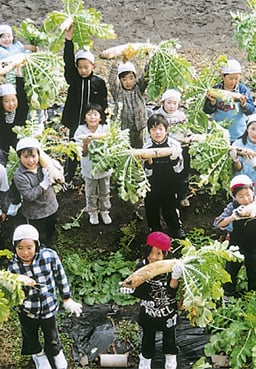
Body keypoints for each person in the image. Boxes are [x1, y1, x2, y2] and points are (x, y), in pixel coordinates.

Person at [8, 224, 83, 369]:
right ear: (14, 248)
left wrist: (66, 298)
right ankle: (38, 354)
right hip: (27, 310)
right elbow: (10, 289)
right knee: (30, 335)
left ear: (37, 244)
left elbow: (60, 277)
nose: (25, 253)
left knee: (51, 333)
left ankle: (55, 352)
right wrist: (13, 282)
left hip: (48, 307)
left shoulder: (49, 256)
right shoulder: (12, 266)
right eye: (20, 248)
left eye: (29, 247)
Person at [119, 231, 183, 369]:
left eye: (159, 254)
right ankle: (146, 360)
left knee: (170, 338)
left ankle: (171, 360)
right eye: (151, 252)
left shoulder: (172, 267)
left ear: (166, 254)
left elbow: (172, 293)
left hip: (168, 312)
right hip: (149, 312)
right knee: (148, 338)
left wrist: (175, 278)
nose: (153, 257)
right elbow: (142, 292)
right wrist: (132, 290)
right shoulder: (141, 266)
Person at [62, 23, 108, 185]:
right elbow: (67, 61)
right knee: (73, 148)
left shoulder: (98, 82)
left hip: (93, 122)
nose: (83, 70)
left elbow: (103, 103)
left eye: (86, 67)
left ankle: (93, 174)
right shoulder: (73, 79)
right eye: (80, 67)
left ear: (93, 66)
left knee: (94, 147)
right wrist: (69, 40)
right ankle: (67, 176)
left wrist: (103, 120)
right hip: (75, 120)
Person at [143, 114, 185, 239]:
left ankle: (175, 228)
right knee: (151, 205)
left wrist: (174, 159)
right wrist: (149, 162)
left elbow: (179, 169)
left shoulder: (174, 145)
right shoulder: (146, 147)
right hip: (152, 182)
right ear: (149, 132)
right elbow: (146, 173)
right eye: (153, 129)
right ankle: (154, 228)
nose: (157, 132)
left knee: (170, 205)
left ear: (167, 130)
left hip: (170, 181)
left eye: (160, 129)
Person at [13, 137, 59, 245]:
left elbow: (57, 175)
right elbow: (29, 195)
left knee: (51, 230)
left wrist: (56, 171)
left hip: (51, 207)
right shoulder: (19, 176)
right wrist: (43, 185)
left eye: (33, 156)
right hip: (35, 214)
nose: (30, 160)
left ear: (39, 155)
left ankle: (50, 247)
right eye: (26, 157)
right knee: (38, 236)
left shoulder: (43, 166)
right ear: (19, 157)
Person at [73, 104, 112, 225]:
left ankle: (104, 210)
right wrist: (85, 144)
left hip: (104, 167)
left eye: (95, 114)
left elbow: (111, 148)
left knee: (104, 190)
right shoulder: (80, 131)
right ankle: (92, 211)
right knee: (90, 191)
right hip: (89, 167)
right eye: (89, 114)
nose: (92, 117)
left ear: (100, 117)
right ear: (84, 118)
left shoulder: (105, 128)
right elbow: (83, 154)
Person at [153, 89, 191, 207]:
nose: (172, 106)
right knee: (167, 173)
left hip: (182, 147)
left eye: (175, 103)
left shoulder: (181, 116)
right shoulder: (157, 116)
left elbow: (187, 131)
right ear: (163, 103)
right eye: (169, 103)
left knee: (183, 173)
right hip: (165, 149)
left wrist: (189, 137)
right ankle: (167, 195)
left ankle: (182, 196)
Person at [203, 59, 255, 142]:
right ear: (222, 76)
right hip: (219, 132)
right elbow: (207, 110)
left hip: (239, 134)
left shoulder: (242, 90)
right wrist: (212, 103)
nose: (233, 82)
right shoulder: (215, 90)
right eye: (230, 78)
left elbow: (251, 110)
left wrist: (244, 105)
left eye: (237, 79)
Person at [0, 64, 29, 167]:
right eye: (6, 101)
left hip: (21, 151)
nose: (11, 104)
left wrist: (18, 68)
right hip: (4, 151)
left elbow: (21, 91)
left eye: (13, 100)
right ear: (1, 102)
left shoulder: (21, 111)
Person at [108, 60, 148, 148]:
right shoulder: (118, 92)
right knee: (124, 149)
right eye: (124, 79)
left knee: (139, 150)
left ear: (135, 78)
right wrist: (114, 67)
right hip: (123, 130)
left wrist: (149, 62)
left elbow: (146, 77)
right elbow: (112, 82)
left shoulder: (138, 89)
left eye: (131, 78)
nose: (128, 82)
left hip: (139, 127)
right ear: (120, 80)